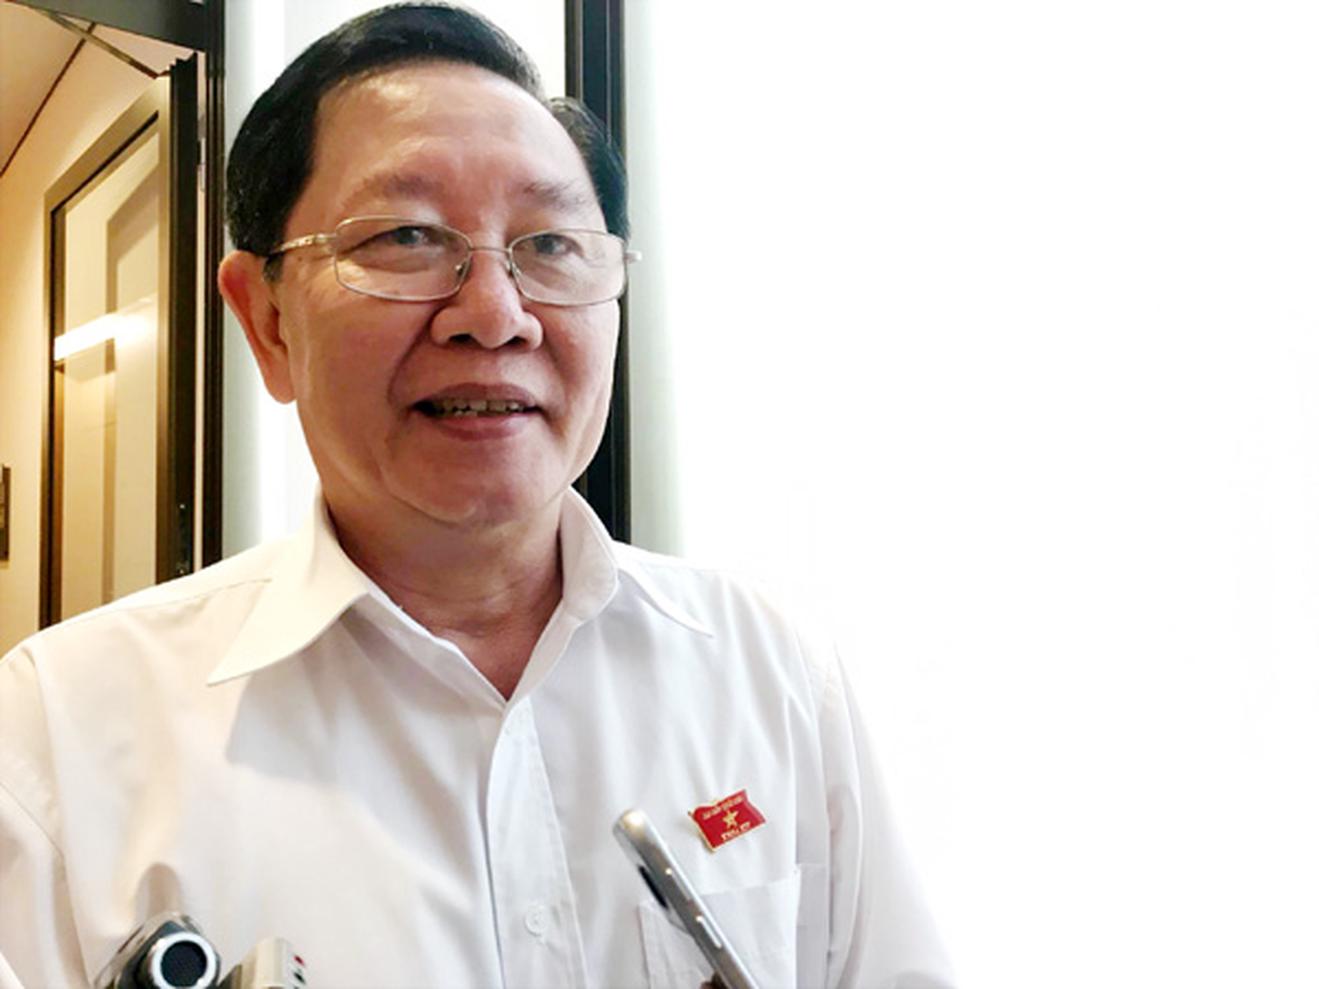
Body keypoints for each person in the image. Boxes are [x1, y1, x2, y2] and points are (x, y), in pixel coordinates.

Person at [0, 4, 955, 987]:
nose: (494, 316)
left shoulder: (768, 672)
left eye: (550, 244)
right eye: (406, 236)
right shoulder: (57, 738)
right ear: (267, 319)